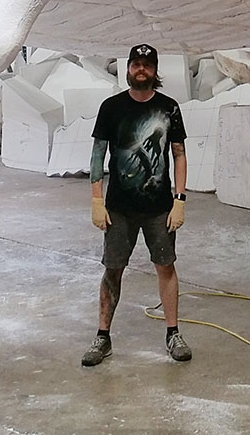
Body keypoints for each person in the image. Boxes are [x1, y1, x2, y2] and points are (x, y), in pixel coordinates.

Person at [83, 43, 190, 366]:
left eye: (147, 65)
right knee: (113, 269)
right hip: (119, 208)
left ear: (155, 71)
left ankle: (173, 333)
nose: (140, 69)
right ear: (128, 69)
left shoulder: (169, 108)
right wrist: (96, 199)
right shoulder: (111, 108)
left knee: (165, 266)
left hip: (159, 208)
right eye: (135, 64)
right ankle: (103, 337)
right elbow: (98, 155)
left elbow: (179, 154)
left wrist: (180, 199)